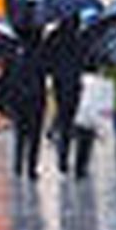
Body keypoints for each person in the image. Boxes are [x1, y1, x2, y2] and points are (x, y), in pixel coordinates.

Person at [0, 25, 49, 179]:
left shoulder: (11, 49)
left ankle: (18, 165)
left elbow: (6, 75)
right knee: (35, 134)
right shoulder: (41, 50)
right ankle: (31, 168)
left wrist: (6, 98)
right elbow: (47, 69)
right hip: (36, 96)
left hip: (18, 96)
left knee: (21, 132)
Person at [43, 15, 90, 176]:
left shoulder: (54, 37)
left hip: (60, 84)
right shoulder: (82, 37)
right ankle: (80, 165)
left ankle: (63, 159)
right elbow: (89, 61)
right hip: (78, 84)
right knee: (83, 123)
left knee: (64, 122)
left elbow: (46, 61)